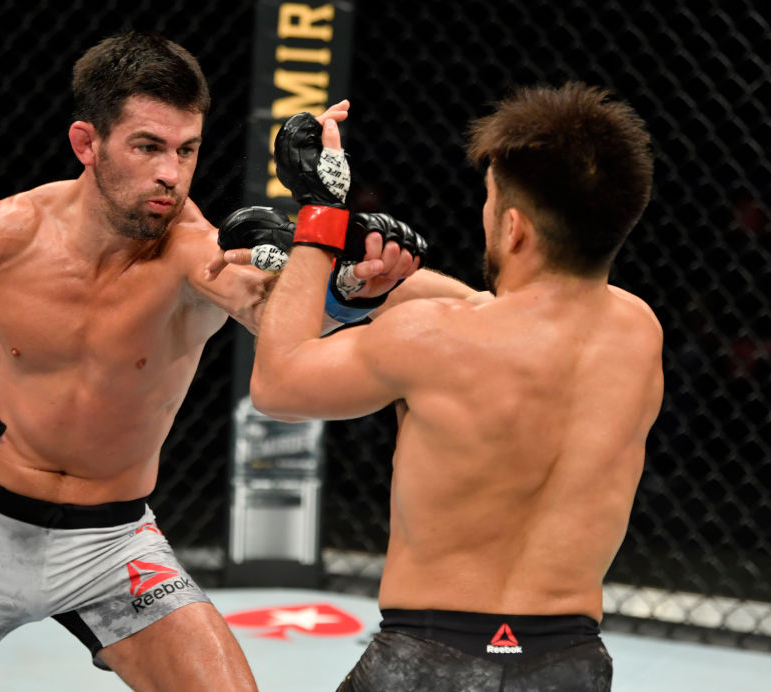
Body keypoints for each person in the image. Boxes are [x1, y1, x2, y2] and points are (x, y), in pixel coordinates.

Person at [0, 32, 426, 692]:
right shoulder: (11, 231)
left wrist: (347, 293)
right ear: (88, 144)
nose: (171, 172)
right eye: (148, 147)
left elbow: (280, 318)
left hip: (113, 546)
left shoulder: (198, 252)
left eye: (186, 149)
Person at [249, 82, 663, 690]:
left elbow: (277, 383)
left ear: (514, 227)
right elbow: (507, 323)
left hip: (428, 658)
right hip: (570, 665)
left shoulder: (431, 338)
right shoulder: (638, 331)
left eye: (491, 201)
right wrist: (379, 284)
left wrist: (318, 217)